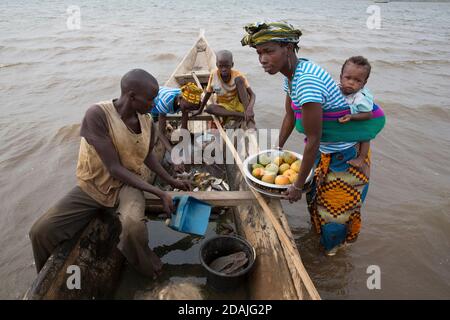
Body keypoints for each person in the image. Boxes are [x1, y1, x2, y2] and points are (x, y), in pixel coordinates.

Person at [29, 69, 191, 277]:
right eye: (150, 99)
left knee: (133, 228)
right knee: (41, 232)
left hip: (129, 184)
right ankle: (47, 279)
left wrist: (171, 181)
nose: (154, 104)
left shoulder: (147, 120)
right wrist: (160, 193)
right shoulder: (97, 115)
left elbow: (148, 156)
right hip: (94, 186)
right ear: (132, 96)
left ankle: (146, 264)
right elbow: (114, 168)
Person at [241, 22, 385, 255]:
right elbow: (289, 114)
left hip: (343, 157)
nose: (263, 59)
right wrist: (278, 149)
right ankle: (321, 247)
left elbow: (314, 138)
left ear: (287, 48)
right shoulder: (292, 75)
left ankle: (332, 256)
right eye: (259, 53)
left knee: (335, 214)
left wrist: (297, 186)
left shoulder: (307, 81)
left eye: (269, 51)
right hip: (323, 151)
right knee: (317, 202)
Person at [193, 50, 256, 128]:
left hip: (238, 103)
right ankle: (241, 115)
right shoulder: (214, 75)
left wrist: (250, 109)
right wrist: (200, 109)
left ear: (232, 65)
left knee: (239, 80)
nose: (223, 69)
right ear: (217, 65)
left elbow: (252, 95)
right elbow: (208, 93)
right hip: (225, 105)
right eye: (221, 66)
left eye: (227, 66)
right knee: (210, 108)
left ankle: (249, 118)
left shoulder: (238, 75)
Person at [150, 82, 203, 171]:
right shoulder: (165, 102)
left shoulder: (186, 102)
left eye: (190, 109)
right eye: (187, 108)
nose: (187, 111)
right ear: (180, 98)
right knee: (154, 124)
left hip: (172, 104)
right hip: (154, 103)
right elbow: (161, 133)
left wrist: (184, 148)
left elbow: (184, 129)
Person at [338, 56, 374, 168]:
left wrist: (352, 117)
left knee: (365, 134)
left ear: (364, 83)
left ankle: (361, 158)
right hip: (343, 121)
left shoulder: (360, 98)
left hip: (358, 118)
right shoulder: (335, 89)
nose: (351, 83)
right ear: (341, 77)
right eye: (348, 78)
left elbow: (368, 114)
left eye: (357, 80)